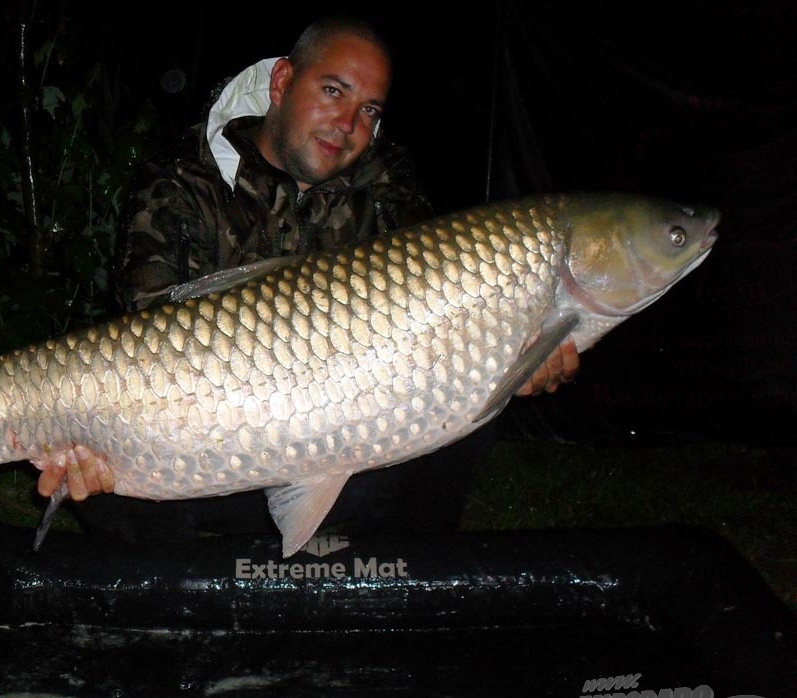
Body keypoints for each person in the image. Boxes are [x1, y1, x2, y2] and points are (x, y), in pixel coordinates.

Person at [36, 16, 579, 542]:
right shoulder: (183, 183)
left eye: (368, 109)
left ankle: (394, 588)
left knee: (474, 405)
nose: (348, 125)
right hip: (204, 452)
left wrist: (514, 360)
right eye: (333, 91)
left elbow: (438, 342)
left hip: (345, 444)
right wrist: (92, 441)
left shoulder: (391, 196)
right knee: (97, 467)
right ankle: (180, 608)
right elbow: (150, 340)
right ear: (282, 83)